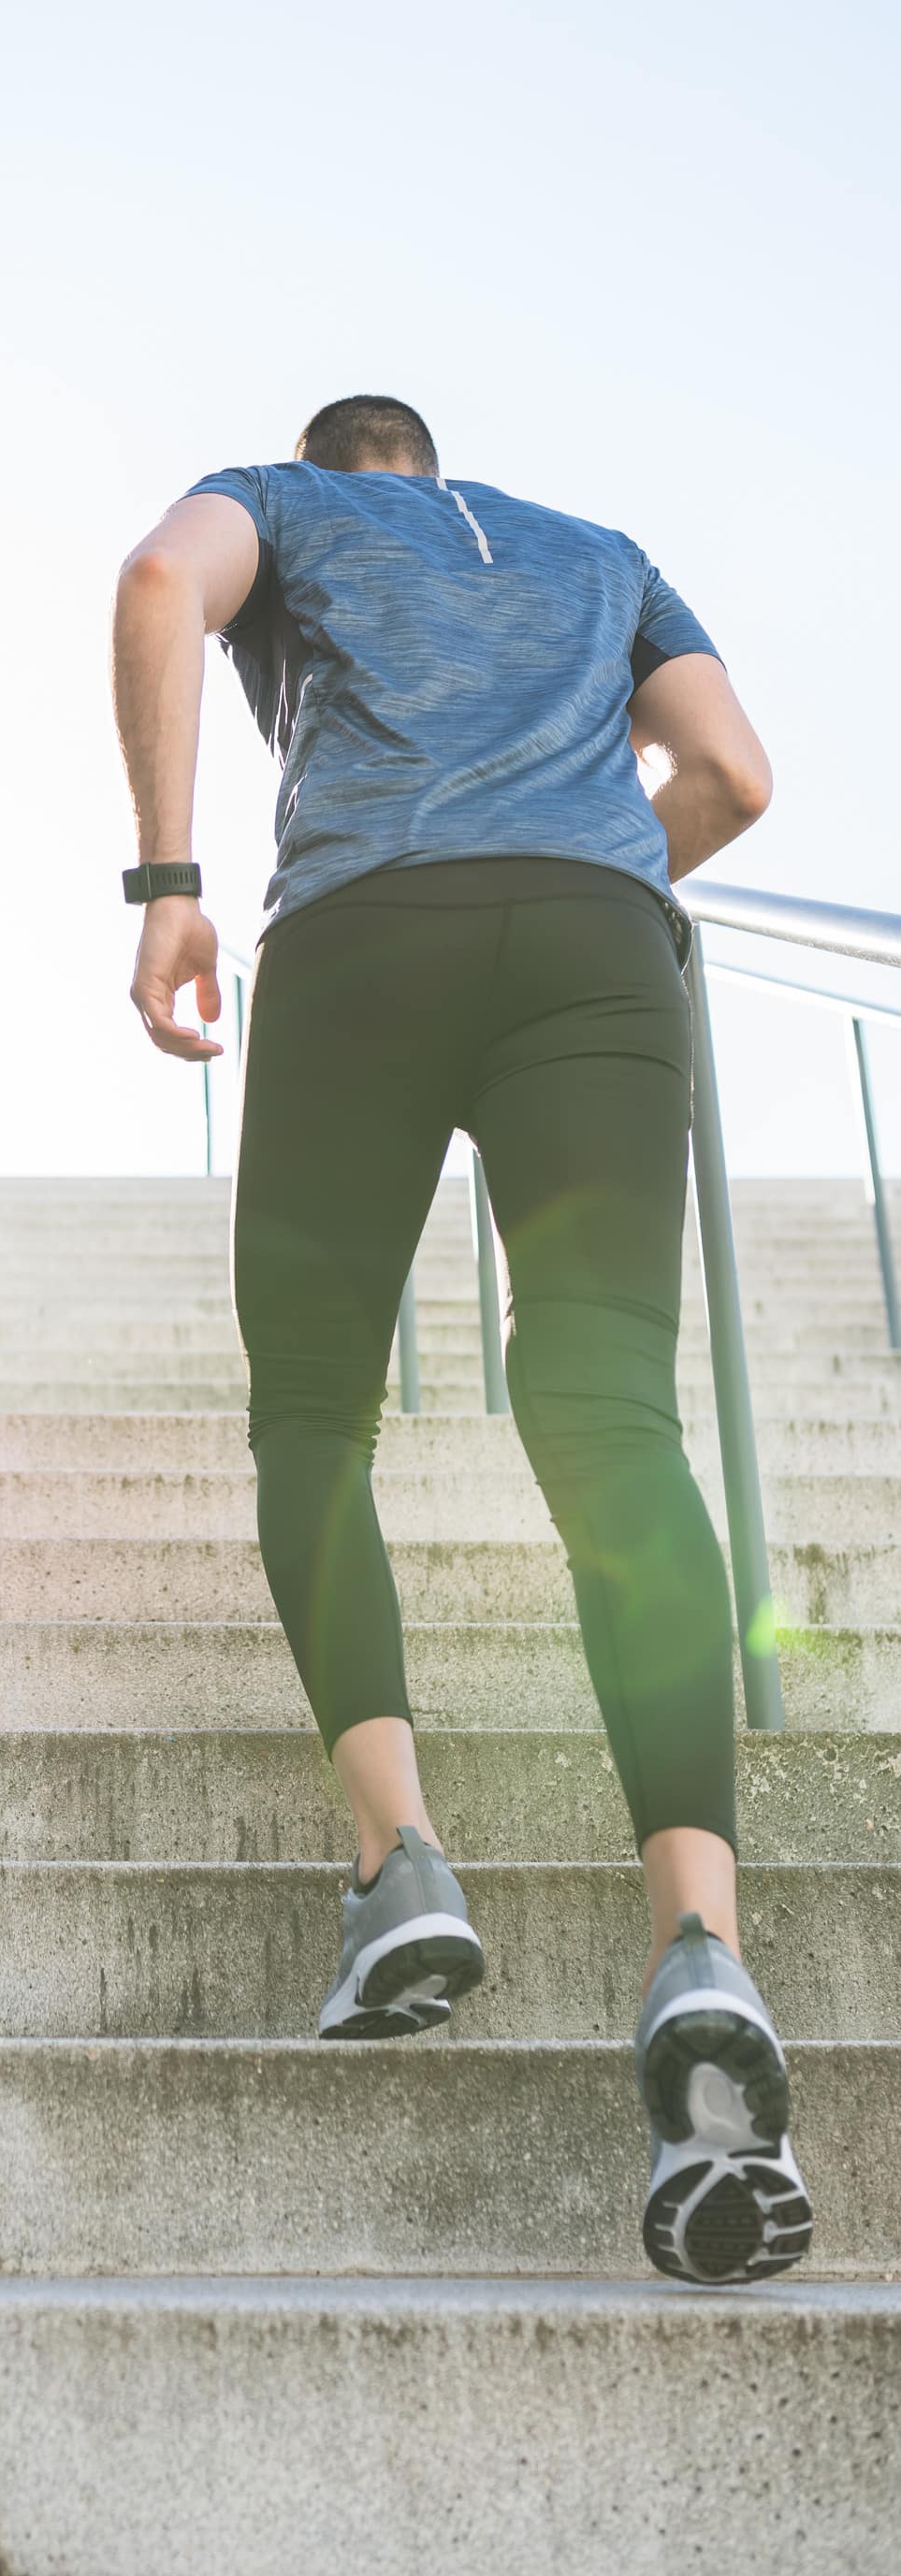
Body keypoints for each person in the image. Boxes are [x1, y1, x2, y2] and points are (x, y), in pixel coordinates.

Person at [111, 393, 811, 2285]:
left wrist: (168, 884)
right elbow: (734, 777)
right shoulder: (599, 553)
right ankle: (696, 1942)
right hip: (597, 936)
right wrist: (582, 870)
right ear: (433, 459)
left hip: (363, 931)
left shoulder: (279, 505)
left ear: (339, 470)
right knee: (605, 1413)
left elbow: (159, 579)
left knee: (313, 1419)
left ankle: (398, 1860)